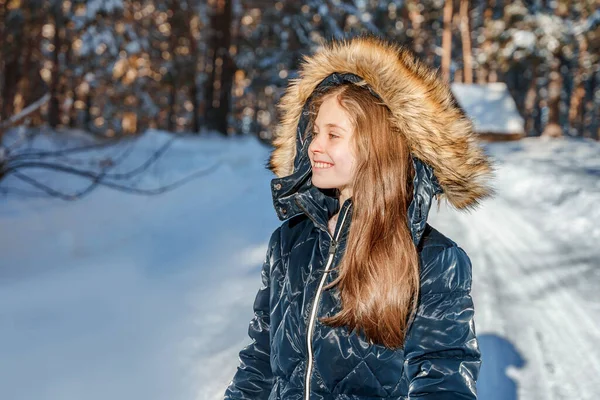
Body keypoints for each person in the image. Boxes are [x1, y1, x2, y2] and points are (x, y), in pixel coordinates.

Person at [224, 35, 494, 400]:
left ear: (376, 146)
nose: (315, 145)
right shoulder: (289, 242)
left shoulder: (433, 259)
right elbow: (259, 360)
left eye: (334, 134)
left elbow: (443, 377)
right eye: (315, 131)